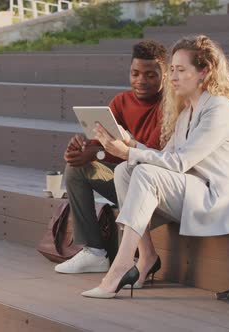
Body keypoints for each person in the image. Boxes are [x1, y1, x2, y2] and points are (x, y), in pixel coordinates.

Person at [81, 35, 229, 298]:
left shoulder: (219, 109)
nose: (173, 77)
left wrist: (129, 152)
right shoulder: (188, 112)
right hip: (194, 191)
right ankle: (146, 256)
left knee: (141, 169)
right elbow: (165, 156)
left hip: (221, 201)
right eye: (172, 70)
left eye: (180, 70)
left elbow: (178, 163)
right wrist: (129, 142)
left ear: (205, 71)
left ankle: (120, 267)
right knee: (124, 170)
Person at [55, 40, 168, 275]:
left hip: (156, 192)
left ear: (165, 75)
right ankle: (94, 253)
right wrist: (80, 152)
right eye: (135, 73)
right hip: (125, 183)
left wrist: (95, 153)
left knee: (124, 169)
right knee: (76, 169)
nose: (141, 80)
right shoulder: (121, 101)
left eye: (150, 75)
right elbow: (99, 148)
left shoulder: (169, 107)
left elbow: (153, 156)